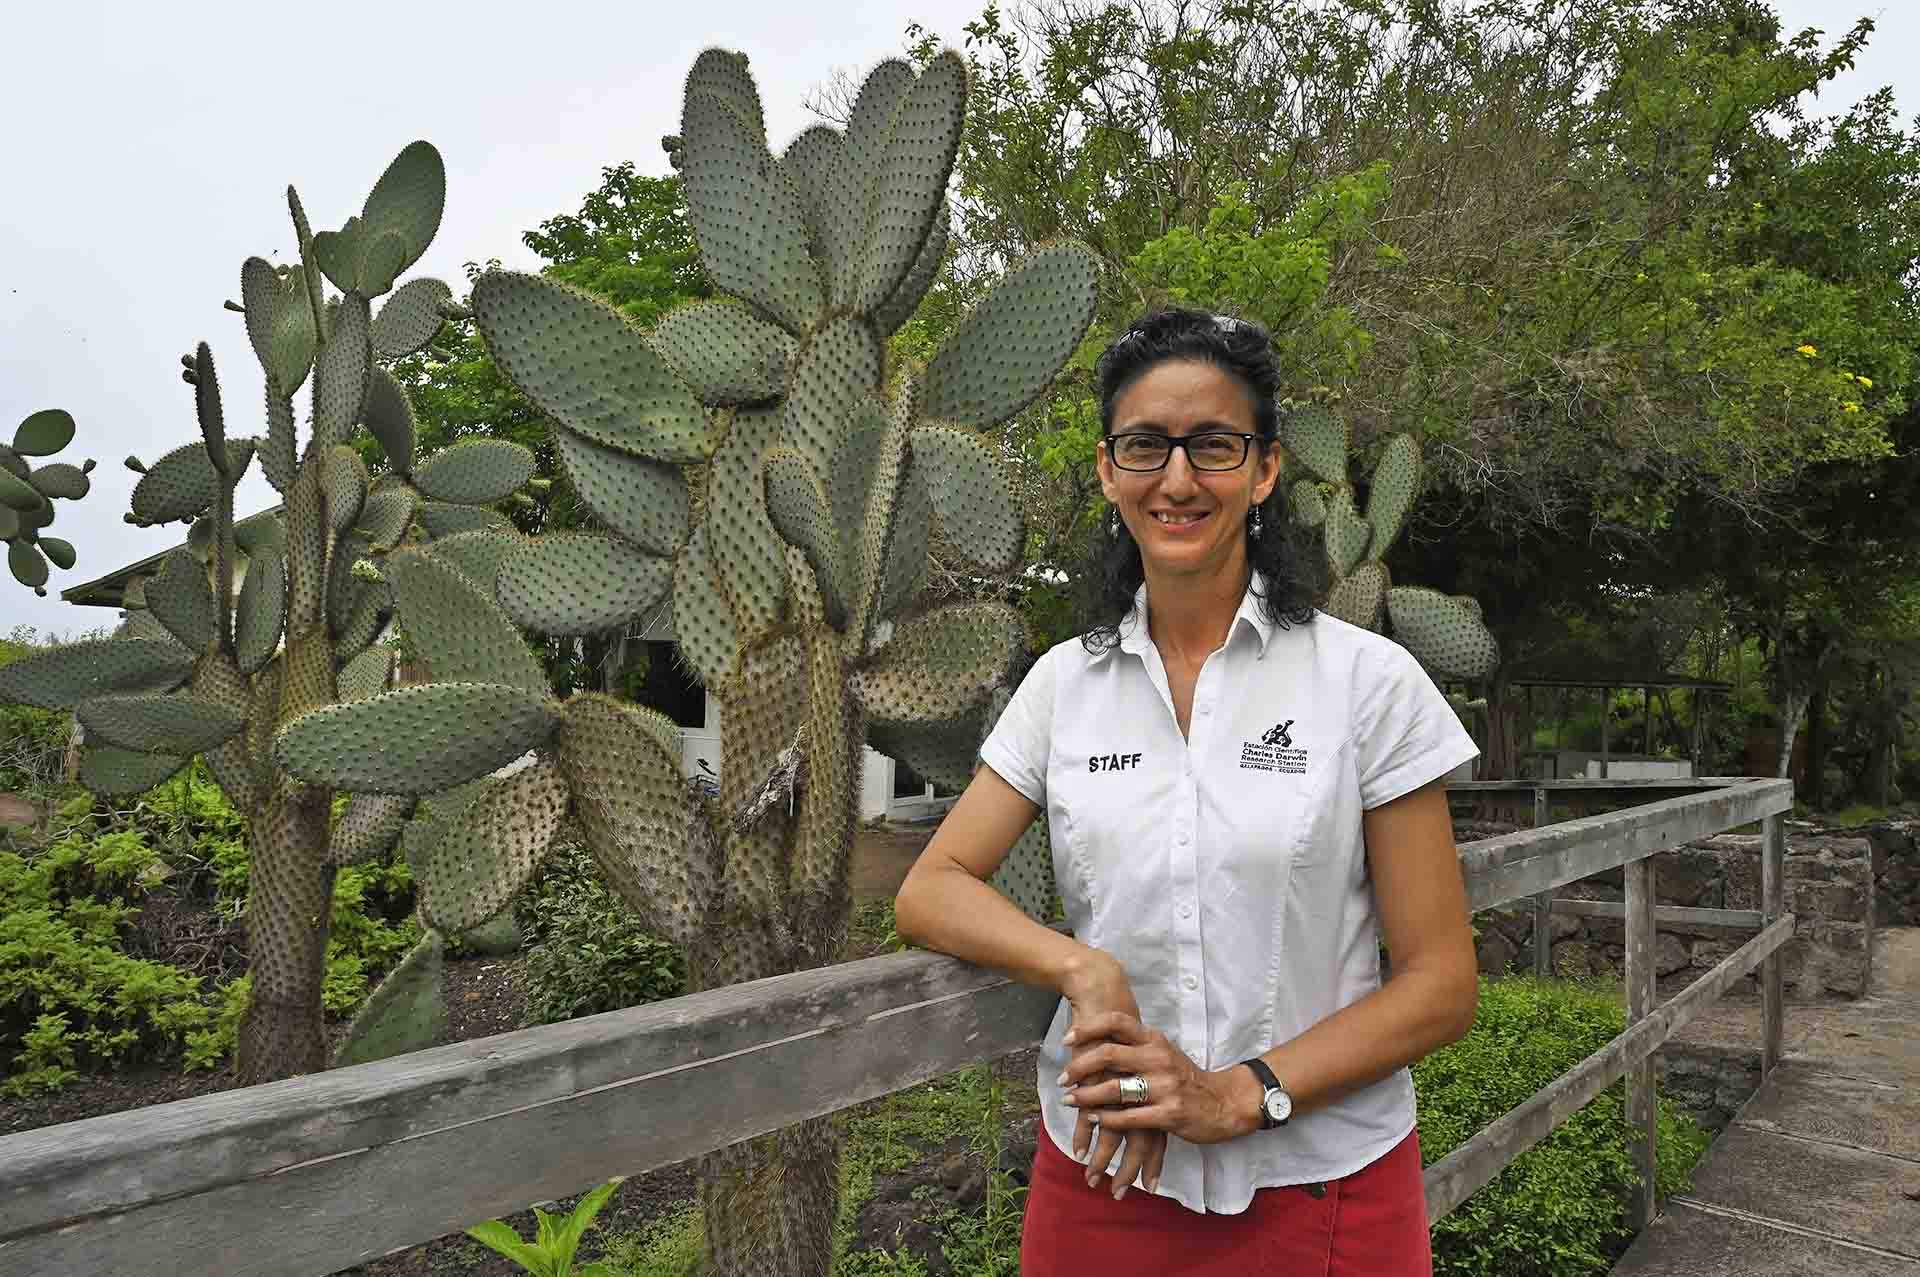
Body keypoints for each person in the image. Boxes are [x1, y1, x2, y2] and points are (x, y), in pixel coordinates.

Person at [892, 308, 1482, 1275]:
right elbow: (933, 885)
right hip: (1103, 1181)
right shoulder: (1060, 687)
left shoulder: (1365, 682)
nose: (1176, 478)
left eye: (1213, 445)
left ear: (1264, 470)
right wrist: (1084, 970)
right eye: (1144, 446)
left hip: (1323, 1185)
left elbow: (1441, 983)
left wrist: (1242, 1094)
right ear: (1107, 470)